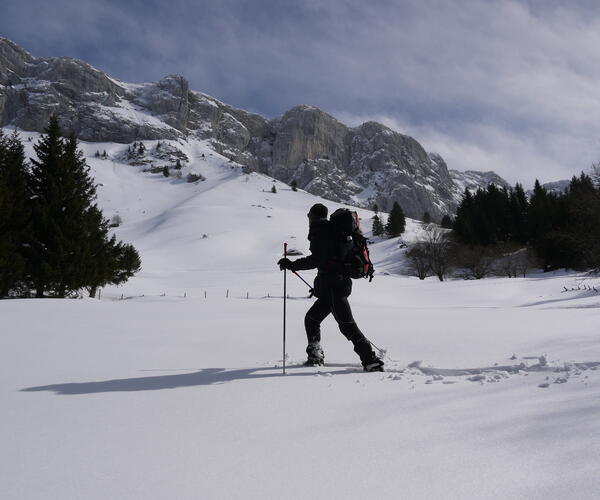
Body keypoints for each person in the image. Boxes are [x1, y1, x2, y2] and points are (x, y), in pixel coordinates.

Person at [278, 203, 384, 372]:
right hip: (334, 286)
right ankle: (315, 355)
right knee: (312, 319)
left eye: (309, 216)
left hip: (336, 287)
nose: (308, 220)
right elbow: (328, 264)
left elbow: (317, 260)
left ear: (313, 216)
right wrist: (319, 287)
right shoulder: (329, 231)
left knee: (346, 325)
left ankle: (370, 359)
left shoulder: (320, 231)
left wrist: (292, 264)